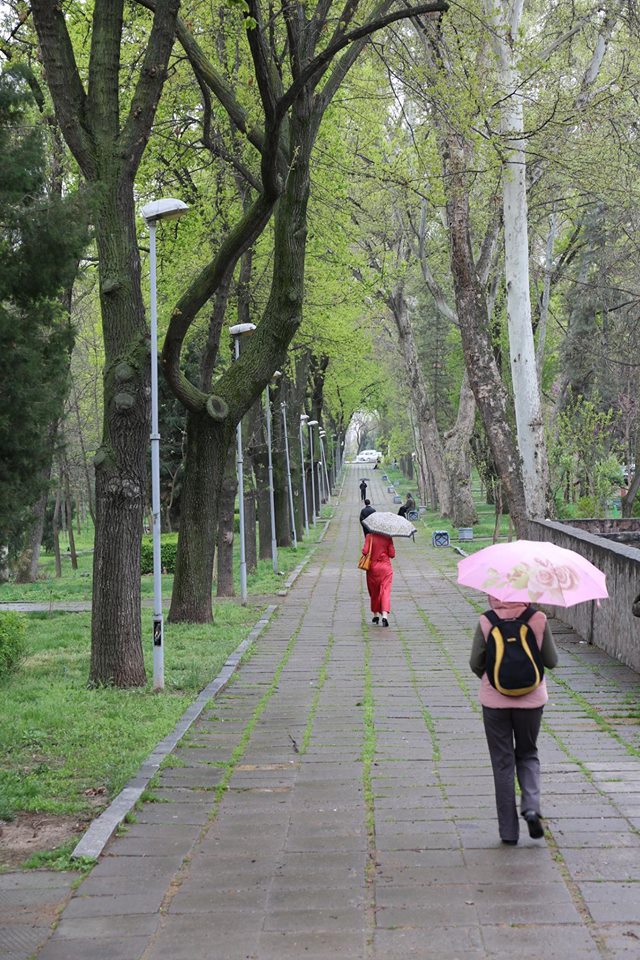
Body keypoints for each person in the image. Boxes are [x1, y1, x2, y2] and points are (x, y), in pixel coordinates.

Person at [469, 596, 559, 845]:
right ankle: (531, 807)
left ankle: (508, 832)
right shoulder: (537, 619)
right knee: (528, 753)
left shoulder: (487, 620)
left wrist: (493, 681)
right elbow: (551, 661)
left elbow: (475, 663)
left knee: (502, 762)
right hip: (531, 702)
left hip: (494, 702)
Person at [361, 531, 395, 627]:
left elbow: (365, 551)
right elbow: (392, 554)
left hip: (373, 569)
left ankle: (375, 615)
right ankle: (384, 616)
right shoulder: (388, 536)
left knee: (374, 592)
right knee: (385, 591)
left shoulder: (369, 536)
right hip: (386, 569)